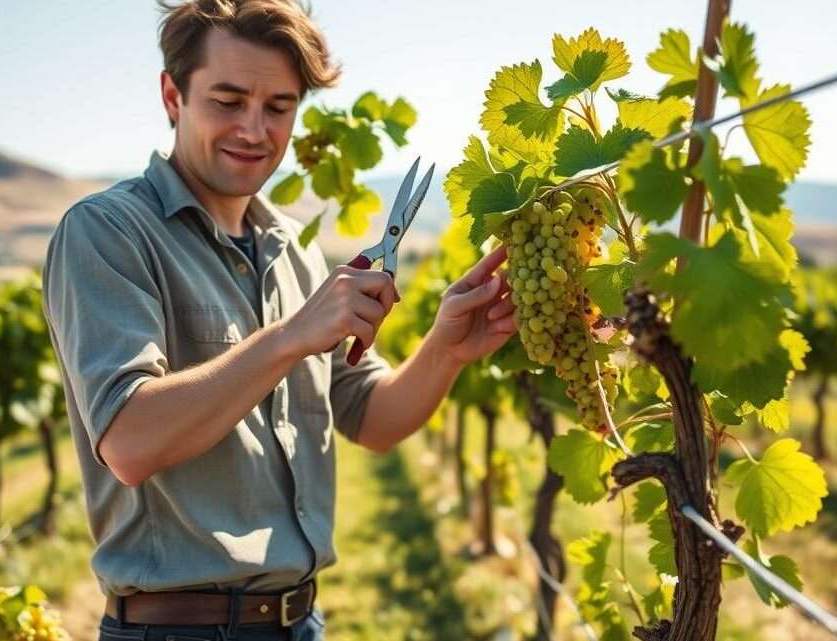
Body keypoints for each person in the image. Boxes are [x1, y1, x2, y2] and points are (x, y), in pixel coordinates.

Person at [40, 1, 517, 640]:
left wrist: (446, 350)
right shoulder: (107, 233)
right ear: (172, 96)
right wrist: (292, 336)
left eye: (279, 107)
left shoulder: (294, 251)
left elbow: (370, 418)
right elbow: (128, 441)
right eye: (228, 101)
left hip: (301, 622)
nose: (255, 130)